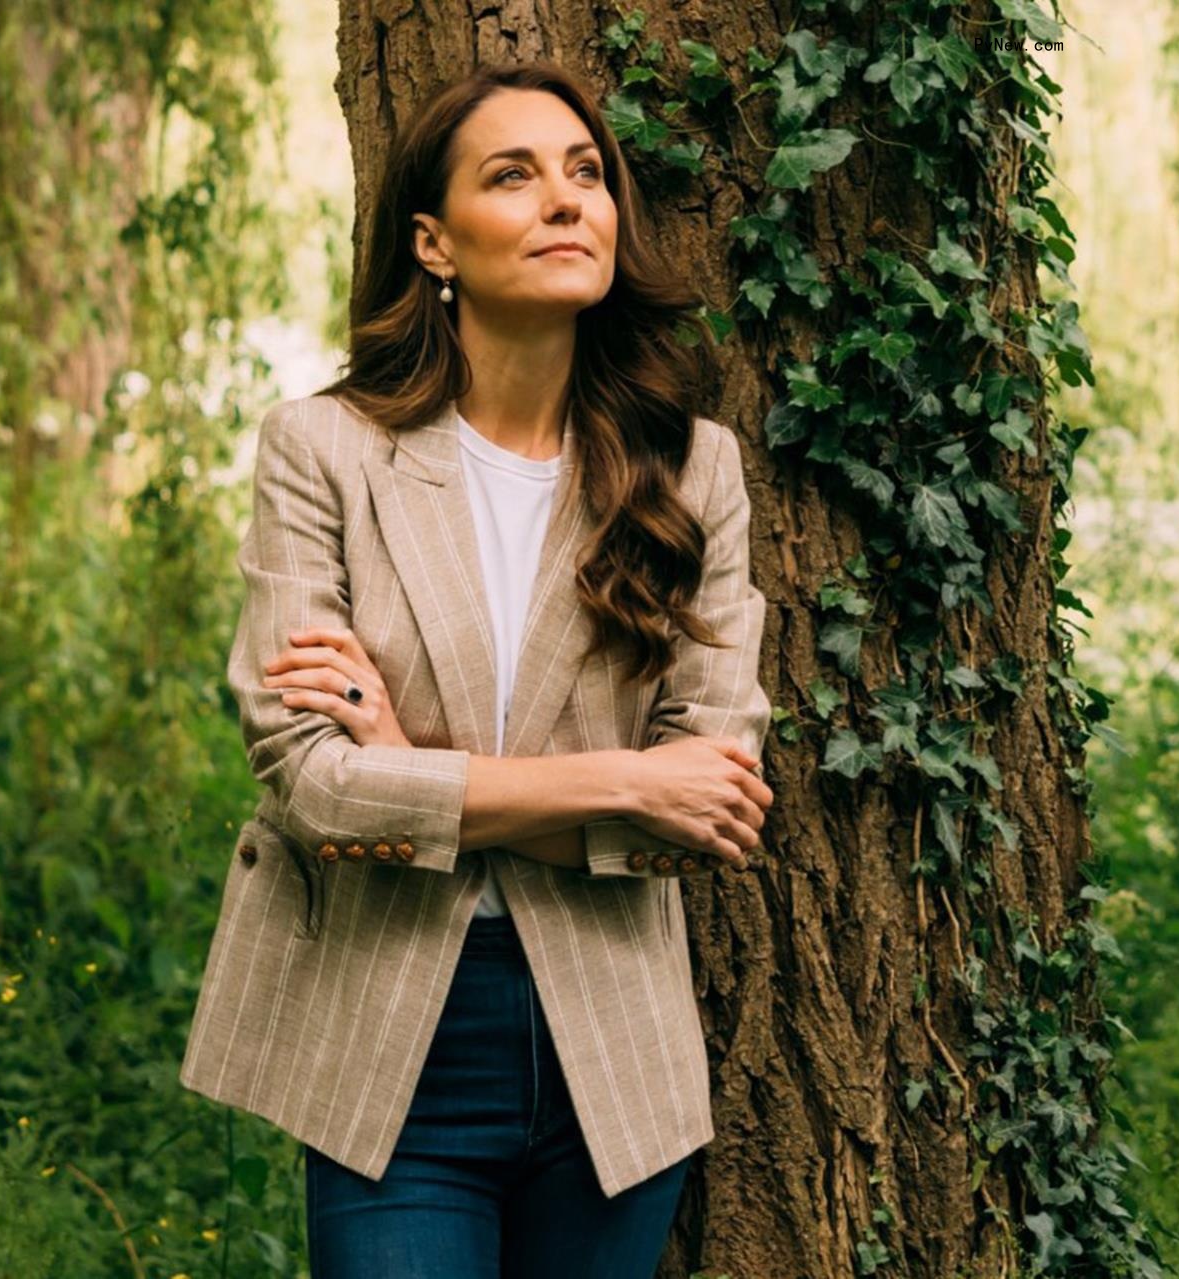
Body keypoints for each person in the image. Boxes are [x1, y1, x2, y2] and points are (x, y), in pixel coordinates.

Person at [178, 58, 775, 1278]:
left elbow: (706, 808)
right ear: (434, 244)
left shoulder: (689, 469)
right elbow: (315, 786)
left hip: (611, 1047)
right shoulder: (324, 454)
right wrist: (623, 782)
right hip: (390, 1036)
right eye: (514, 176)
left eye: (586, 173)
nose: (566, 201)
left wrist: (411, 768)